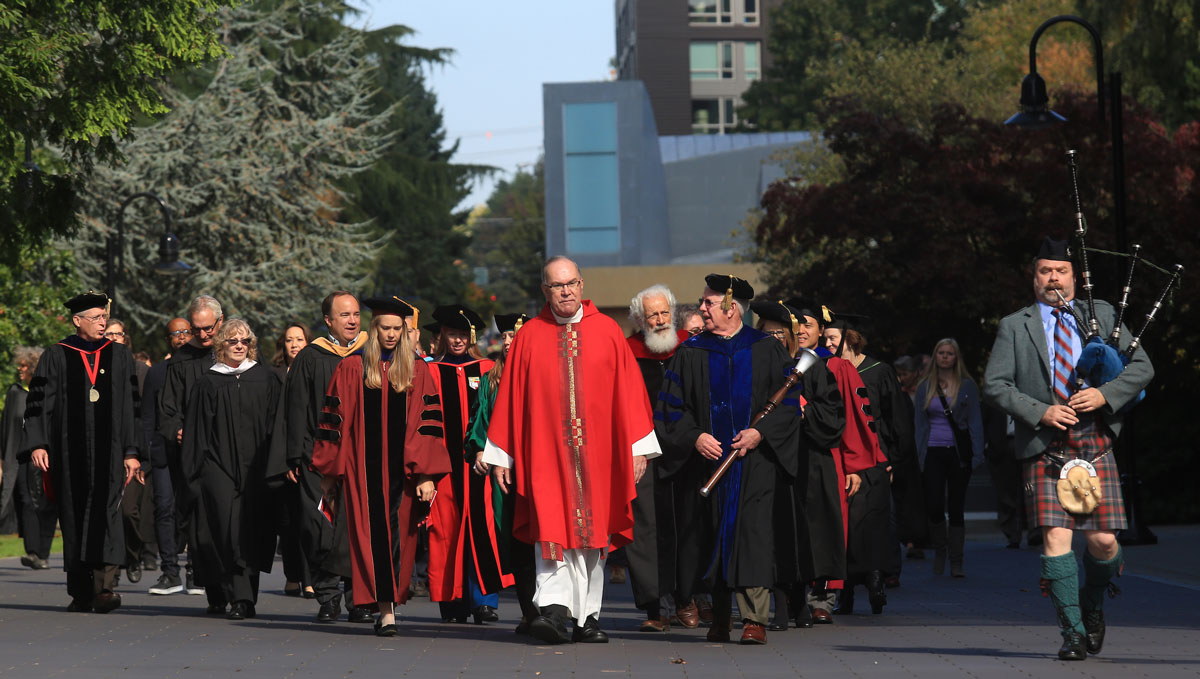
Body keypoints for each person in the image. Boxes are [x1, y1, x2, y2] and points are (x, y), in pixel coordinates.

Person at [983, 237, 1153, 661]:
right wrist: (1041, 411)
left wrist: (1104, 395)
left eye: (1060, 271)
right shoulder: (1015, 324)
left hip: (1094, 438)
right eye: (1045, 271)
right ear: (1034, 277)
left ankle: (1092, 604)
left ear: (1074, 277)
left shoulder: (1103, 315)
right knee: (1057, 538)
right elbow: (995, 384)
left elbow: (1143, 367)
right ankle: (1073, 632)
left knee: (1103, 542)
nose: (1053, 278)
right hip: (1044, 443)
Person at [482, 256, 661, 644]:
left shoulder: (608, 331)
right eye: (556, 286)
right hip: (546, 457)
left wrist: (638, 449)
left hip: (598, 457)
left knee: (592, 540)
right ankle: (555, 612)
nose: (566, 292)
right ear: (545, 291)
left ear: (581, 284)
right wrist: (502, 454)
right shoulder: (529, 335)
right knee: (551, 533)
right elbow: (511, 396)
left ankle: (588, 618)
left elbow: (630, 392)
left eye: (571, 284)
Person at [658, 277, 837, 645]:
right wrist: (695, 436)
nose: (701, 309)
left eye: (708, 303)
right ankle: (721, 619)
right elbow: (670, 408)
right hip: (709, 463)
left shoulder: (765, 349)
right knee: (712, 538)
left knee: (752, 537)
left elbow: (789, 405)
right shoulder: (690, 352)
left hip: (754, 464)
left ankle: (754, 619)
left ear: (730, 306)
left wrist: (761, 433)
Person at [314, 297, 452, 636]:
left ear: (405, 331)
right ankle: (384, 611)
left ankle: (389, 607)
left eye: (396, 329)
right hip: (363, 474)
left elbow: (428, 422)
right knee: (368, 538)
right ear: (373, 330)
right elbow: (337, 422)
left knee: (398, 541)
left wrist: (425, 474)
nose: (390, 335)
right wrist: (331, 473)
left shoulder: (418, 369)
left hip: (403, 475)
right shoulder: (352, 368)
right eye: (384, 328)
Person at [20, 291, 141, 613]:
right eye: (97, 318)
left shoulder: (119, 355)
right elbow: (39, 404)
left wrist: (132, 450)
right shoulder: (57, 355)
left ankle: (105, 588)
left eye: (104, 317)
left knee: (108, 513)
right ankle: (80, 591)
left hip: (111, 452)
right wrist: (38, 443)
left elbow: (132, 407)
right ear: (78, 321)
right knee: (73, 518)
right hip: (67, 454)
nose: (104, 323)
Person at [269, 290, 373, 624]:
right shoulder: (311, 357)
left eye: (356, 313)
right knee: (320, 527)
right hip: (319, 458)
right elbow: (294, 410)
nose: (352, 320)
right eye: (344, 315)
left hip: (362, 458)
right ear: (328, 320)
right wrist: (292, 458)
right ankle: (327, 596)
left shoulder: (371, 352)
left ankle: (358, 599)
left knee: (357, 530)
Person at [181, 319, 282, 619]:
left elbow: (277, 426)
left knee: (249, 531)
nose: (239, 345)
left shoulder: (266, 379)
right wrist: (194, 474)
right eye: (232, 341)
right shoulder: (208, 382)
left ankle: (244, 598)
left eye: (244, 341)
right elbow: (197, 432)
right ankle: (221, 591)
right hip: (217, 467)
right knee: (222, 529)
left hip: (256, 468)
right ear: (220, 345)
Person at [426, 304, 511, 624]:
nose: (458, 340)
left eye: (463, 334)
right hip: (445, 467)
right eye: (452, 334)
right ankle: (452, 601)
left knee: (482, 529)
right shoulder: (431, 371)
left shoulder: (488, 368)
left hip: (481, 465)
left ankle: (485, 600)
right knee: (446, 532)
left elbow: (499, 416)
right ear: (443, 335)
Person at [624, 285, 695, 632]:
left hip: (685, 449)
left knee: (686, 524)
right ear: (640, 319)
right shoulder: (628, 352)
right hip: (643, 451)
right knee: (646, 527)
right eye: (652, 314)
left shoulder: (689, 346)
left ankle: (687, 598)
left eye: (664, 312)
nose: (659, 320)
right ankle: (655, 607)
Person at [465, 312, 539, 633]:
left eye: (514, 336)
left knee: (541, 540)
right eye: (505, 337)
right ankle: (527, 610)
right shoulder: (492, 380)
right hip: (505, 473)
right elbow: (479, 420)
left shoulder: (540, 373)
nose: (507, 342)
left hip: (538, 469)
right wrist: (479, 448)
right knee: (514, 537)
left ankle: (546, 608)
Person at [822, 317, 898, 613]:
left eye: (832, 338)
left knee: (872, 527)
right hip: (847, 457)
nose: (827, 344)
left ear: (849, 339)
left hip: (875, 458)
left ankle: (875, 582)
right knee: (850, 527)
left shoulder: (878, 371)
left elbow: (894, 419)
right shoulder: (830, 370)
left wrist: (891, 458)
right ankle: (848, 593)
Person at [159, 296, 225, 598]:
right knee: (198, 519)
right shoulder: (182, 361)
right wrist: (178, 430)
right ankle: (204, 578)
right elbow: (168, 408)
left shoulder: (234, 352)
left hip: (229, 452)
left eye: (208, 328)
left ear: (220, 322)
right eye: (196, 329)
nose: (202, 336)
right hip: (195, 455)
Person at [914, 338, 983, 579]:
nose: (945, 357)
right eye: (941, 353)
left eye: (949, 353)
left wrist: (977, 455)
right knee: (933, 505)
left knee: (956, 507)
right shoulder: (925, 386)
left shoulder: (967, 386)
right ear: (935, 357)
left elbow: (975, 421)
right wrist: (918, 455)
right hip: (931, 451)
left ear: (956, 358)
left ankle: (956, 561)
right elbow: (918, 424)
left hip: (957, 453)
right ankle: (940, 551)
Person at [104, 318, 158, 585]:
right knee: (108, 514)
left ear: (126, 338)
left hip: (135, 456)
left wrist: (143, 458)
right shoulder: (96, 370)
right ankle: (111, 572)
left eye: (118, 334)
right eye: (108, 334)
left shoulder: (140, 371)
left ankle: (133, 555)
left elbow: (146, 418)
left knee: (129, 512)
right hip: (106, 455)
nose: (113, 338)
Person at [143, 317, 192, 595]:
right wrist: (144, 453)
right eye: (176, 333)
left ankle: (195, 573)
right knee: (164, 509)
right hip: (163, 452)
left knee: (193, 512)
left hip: (194, 453)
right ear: (168, 340)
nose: (182, 337)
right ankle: (170, 571)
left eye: (186, 331)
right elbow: (148, 416)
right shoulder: (158, 373)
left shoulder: (204, 366)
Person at [270, 321, 315, 598]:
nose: (295, 344)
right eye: (289, 340)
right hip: (280, 455)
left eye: (299, 339)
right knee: (287, 520)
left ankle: (309, 576)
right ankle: (292, 575)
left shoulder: (314, 370)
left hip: (308, 455)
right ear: (283, 345)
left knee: (309, 518)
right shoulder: (274, 375)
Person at [6, 347, 55, 569]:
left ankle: (42, 552)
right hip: (22, 456)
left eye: (24, 365)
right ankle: (33, 551)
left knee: (46, 500)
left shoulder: (47, 391)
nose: (20, 369)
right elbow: (5, 427)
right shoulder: (15, 393)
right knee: (26, 500)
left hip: (47, 453)